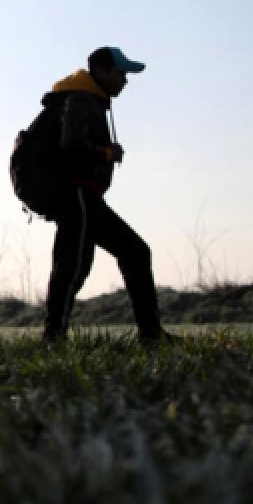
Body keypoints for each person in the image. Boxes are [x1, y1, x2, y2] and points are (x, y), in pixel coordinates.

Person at [42, 47, 177, 344]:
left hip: (86, 198)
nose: (125, 81)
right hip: (77, 195)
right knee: (75, 265)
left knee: (99, 261)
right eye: (121, 73)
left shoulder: (88, 100)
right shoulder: (81, 100)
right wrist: (105, 152)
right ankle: (54, 339)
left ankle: (151, 335)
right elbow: (70, 146)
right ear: (101, 71)